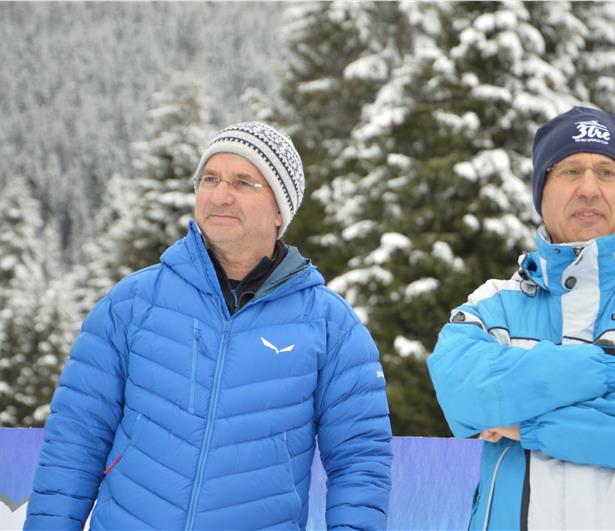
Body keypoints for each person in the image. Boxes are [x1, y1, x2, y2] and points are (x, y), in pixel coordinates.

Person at [24, 122, 393, 530]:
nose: (220, 195)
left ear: (279, 211)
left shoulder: (330, 325)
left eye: (243, 182)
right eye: (210, 179)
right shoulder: (132, 303)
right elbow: (75, 439)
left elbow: (360, 461)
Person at [428, 106, 615, 530]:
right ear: (541, 190)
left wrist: (521, 423)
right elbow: (462, 392)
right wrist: (611, 371)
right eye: (570, 171)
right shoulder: (494, 304)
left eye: (607, 172)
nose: (589, 189)